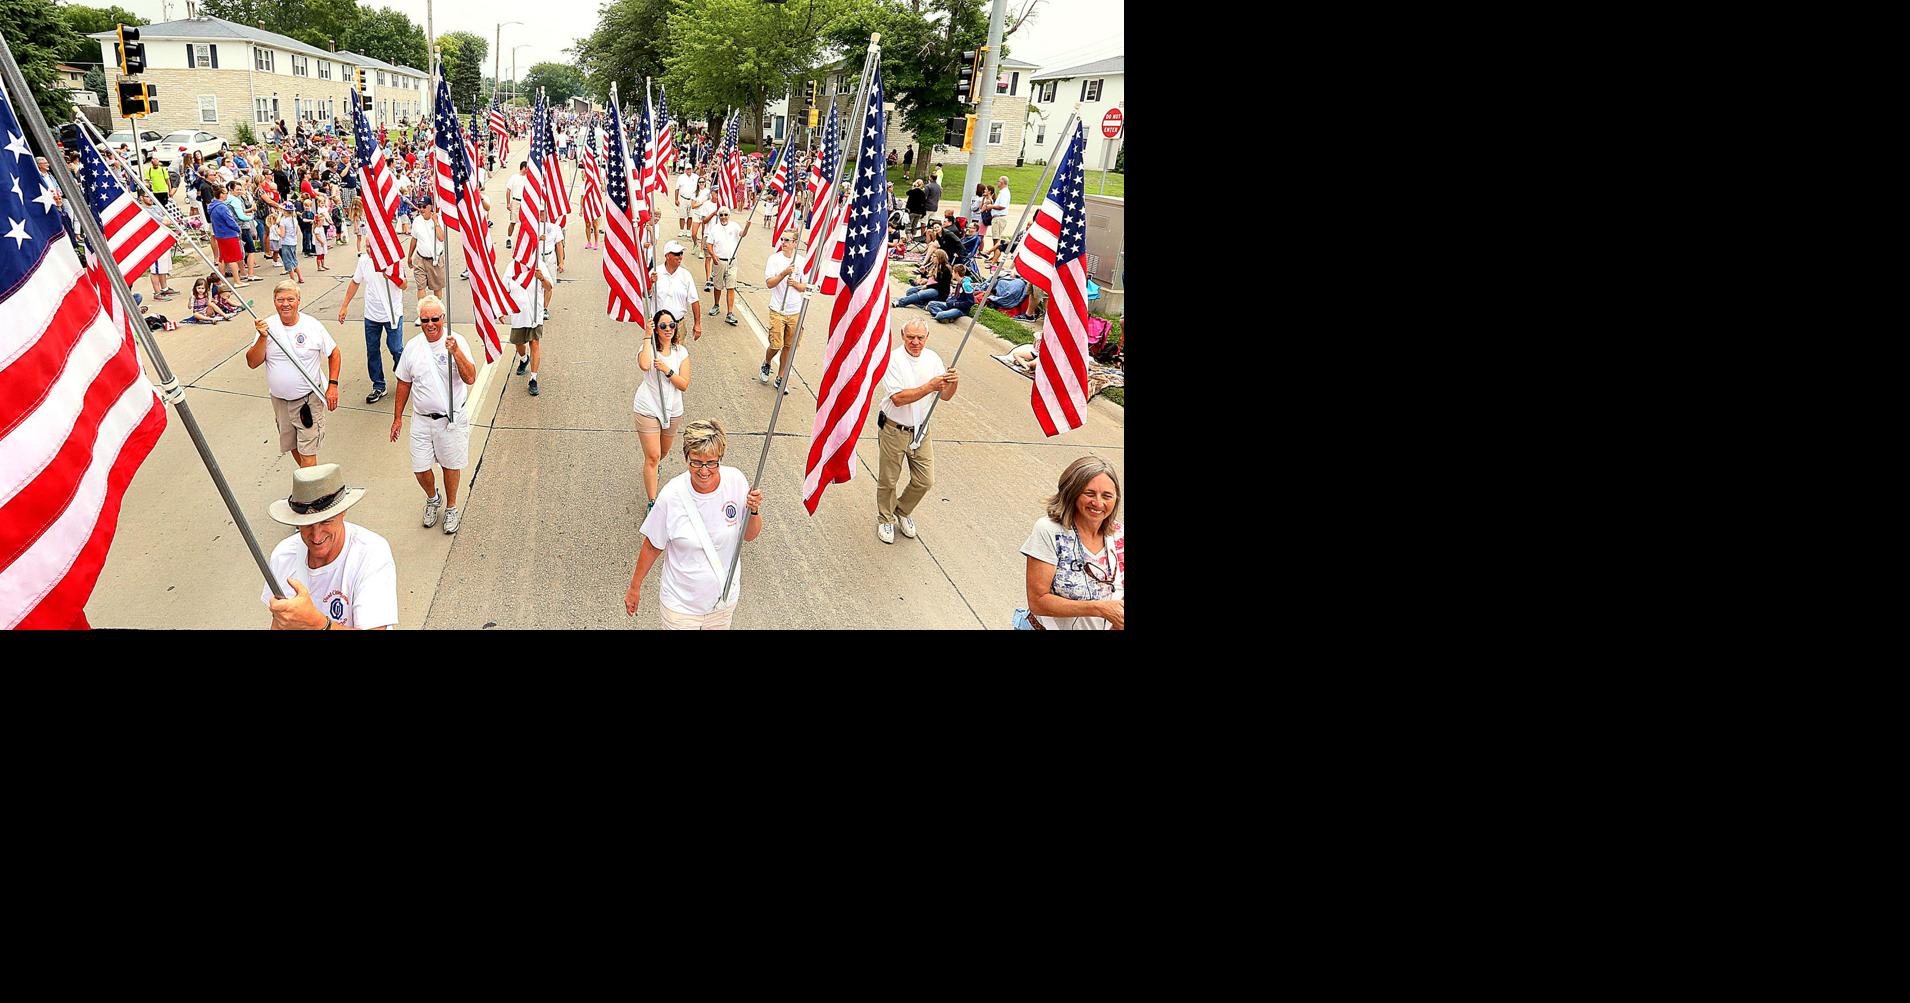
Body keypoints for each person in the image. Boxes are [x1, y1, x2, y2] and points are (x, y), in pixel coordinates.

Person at [623, 419, 763, 631]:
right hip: (680, 608)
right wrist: (635, 586)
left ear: (720, 459)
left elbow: (750, 535)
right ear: (686, 458)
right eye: (696, 462)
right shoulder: (671, 496)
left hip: (722, 602)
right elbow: (652, 545)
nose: (704, 471)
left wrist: (754, 510)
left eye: (711, 463)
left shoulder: (736, 481)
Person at [262, 463, 398, 630]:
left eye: (326, 521)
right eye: (306, 524)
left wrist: (317, 623)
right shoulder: (283, 556)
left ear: (343, 512)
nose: (316, 535)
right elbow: (278, 623)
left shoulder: (371, 553)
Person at [388, 295, 477, 535]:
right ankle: (432, 498)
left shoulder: (456, 341)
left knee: (450, 466)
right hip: (422, 420)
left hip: (450, 419)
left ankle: (451, 507)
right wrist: (397, 418)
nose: (430, 324)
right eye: (425, 319)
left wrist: (456, 352)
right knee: (420, 468)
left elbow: (470, 378)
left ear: (443, 318)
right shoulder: (413, 347)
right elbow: (403, 382)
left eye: (435, 319)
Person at [874, 319, 957, 544]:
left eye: (920, 337)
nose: (916, 342)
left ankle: (902, 511)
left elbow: (946, 396)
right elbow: (899, 399)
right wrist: (930, 386)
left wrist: (952, 383)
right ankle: (885, 518)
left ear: (927, 337)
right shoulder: (893, 360)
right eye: (911, 337)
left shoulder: (932, 359)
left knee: (925, 480)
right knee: (888, 480)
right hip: (894, 428)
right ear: (903, 336)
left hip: (921, 430)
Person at [1018, 456, 1124, 630]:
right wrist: (1099, 609)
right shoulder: (1049, 530)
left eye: (1107, 496)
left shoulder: (1119, 535)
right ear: (1072, 492)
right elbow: (1038, 601)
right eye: (1089, 494)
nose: (1098, 503)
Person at [246, 281, 340, 468]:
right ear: (274, 302)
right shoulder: (266, 327)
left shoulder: (312, 326)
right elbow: (252, 362)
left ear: (299, 301)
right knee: (293, 446)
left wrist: (333, 386)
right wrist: (263, 337)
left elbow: (334, 353)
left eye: (290, 299)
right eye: (280, 300)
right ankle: (312, 480)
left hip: (307, 400)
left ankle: (314, 492)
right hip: (280, 402)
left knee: (307, 450)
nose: (285, 304)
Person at [634, 308, 692, 511]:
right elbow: (643, 364)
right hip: (648, 408)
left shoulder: (681, 352)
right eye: (663, 326)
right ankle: (652, 501)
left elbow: (683, 384)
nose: (668, 329)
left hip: (673, 410)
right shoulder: (649, 349)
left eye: (672, 325)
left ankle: (655, 466)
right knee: (652, 456)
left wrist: (667, 370)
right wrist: (646, 336)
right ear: (656, 329)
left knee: (663, 452)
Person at [338, 250, 406, 405]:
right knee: (372, 351)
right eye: (367, 245)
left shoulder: (392, 260)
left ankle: (404, 374)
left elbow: (404, 285)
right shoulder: (364, 260)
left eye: (371, 244)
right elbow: (355, 282)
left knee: (396, 348)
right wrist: (344, 306)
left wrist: (392, 276)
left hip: (392, 313)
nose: (368, 248)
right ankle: (379, 385)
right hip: (371, 315)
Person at [504, 235, 557, 396]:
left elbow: (549, 287)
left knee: (535, 342)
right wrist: (501, 311)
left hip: (535, 314)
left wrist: (541, 278)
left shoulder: (539, 265)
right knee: (519, 344)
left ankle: (533, 378)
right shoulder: (512, 267)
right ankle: (523, 358)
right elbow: (503, 290)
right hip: (519, 315)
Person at [761, 231, 810, 394]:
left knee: (789, 346)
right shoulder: (774, 259)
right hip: (777, 309)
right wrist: (783, 274)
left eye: (787, 240)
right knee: (776, 344)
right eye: (782, 239)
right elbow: (769, 283)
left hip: (795, 311)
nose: (784, 242)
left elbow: (806, 287)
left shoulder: (802, 262)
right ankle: (767, 362)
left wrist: (796, 283)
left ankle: (781, 376)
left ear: (795, 243)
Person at [703, 206, 751, 325]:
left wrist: (747, 226)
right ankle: (716, 305)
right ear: (719, 216)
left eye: (726, 215)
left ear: (729, 216)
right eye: (721, 215)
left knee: (731, 287)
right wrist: (713, 256)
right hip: (719, 261)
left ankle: (730, 313)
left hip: (732, 261)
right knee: (718, 287)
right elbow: (709, 244)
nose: (723, 217)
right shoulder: (714, 229)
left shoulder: (734, 226)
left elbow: (743, 234)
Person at [653, 240, 703, 342]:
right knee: (659, 356)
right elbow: (645, 294)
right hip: (659, 326)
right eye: (676, 254)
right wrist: (650, 284)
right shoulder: (655, 272)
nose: (680, 257)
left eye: (681, 253)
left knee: (678, 356)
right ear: (667, 256)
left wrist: (697, 324)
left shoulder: (686, 275)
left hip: (678, 325)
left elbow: (694, 301)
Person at [407, 201, 448, 303]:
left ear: (430, 207)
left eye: (424, 206)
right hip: (420, 259)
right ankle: (422, 312)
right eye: (420, 207)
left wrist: (436, 222)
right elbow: (414, 239)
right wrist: (409, 256)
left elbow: (441, 237)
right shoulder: (417, 221)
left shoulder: (438, 219)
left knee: (437, 288)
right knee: (421, 287)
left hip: (435, 259)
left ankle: (437, 312)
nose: (421, 209)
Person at [207, 184, 244, 286]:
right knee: (233, 259)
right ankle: (237, 281)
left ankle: (221, 280)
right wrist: (237, 228)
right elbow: (230, 221)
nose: (227, 195)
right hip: (229, 235)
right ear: (221, 194)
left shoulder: (212, 206)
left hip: (219, 235)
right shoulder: (222, 207)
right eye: (226, 193)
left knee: (222, 258)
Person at [505, 161, 529, 246]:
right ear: (523, 168)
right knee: (513, 221)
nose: (527, 170)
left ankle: (523, 240)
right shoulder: (514, 177)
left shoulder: (528, 178)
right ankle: (509, 238)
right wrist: (508, 203)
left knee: (525, 223)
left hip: (525, 203)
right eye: (527, 168)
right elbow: (508, 190)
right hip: (516, 201)